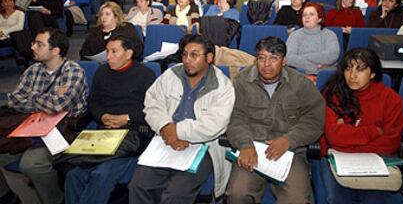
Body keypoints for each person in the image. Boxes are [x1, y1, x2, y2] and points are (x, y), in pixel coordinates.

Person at [128, 34, 235, 204]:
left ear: (209, 58)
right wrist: (165, 127)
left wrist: (176, 131)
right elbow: (152, 103)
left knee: (175, 195)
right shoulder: (171, 74)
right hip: (165, 140)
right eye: (184, 54)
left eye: (194, 55)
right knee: (138, 187)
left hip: (203, 146)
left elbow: (215, 124)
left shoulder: (222, 85)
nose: (187, 60)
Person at [225, 36, 325, 203]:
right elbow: (235, 118)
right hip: (252, 148)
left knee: (296, 199)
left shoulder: (301, 84)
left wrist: (288, 140)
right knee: (237, 194)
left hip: (290, 152)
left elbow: (314, 120)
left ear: (284, 61)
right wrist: (245, 145)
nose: (266, 64)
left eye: (274, 58)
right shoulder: (242, 81)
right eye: (261, 58)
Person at [65, 34, 155, 204]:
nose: (108, 57)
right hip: (104, 133)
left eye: (114, 52)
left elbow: (152, 109)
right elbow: (93, 101)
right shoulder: (102, 72)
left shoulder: (145, 74)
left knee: (101, 174)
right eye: (107, 51)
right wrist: (102, 116)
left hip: (131, 135)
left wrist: (126, 119)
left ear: (128, 53)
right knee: (73, 176)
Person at [7, 28, 88, 204]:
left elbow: (58, 106)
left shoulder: (73, 71)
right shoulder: (33, 70)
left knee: (31, 164)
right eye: (34, 43)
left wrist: (32, 98)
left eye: (39, 44)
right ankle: (6, 196)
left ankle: (55, 200)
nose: (32, 47)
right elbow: (14, 100)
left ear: (56, 50)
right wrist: (46, 102)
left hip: (63, 130)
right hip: (31, 125)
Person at [319, 48, 403, 204]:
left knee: (373, 200)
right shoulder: (332, 94)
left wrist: (347, 136)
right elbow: (333, 136)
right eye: (348, 69)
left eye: (360, 70)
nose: (352, 76)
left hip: (376, 160)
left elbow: (391, 143)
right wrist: (373, 131)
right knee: (337, 199)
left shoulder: (390, 99)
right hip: (336, 159)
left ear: (372, 74)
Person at [286, 2, 340, 75]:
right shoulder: (295, 35)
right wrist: (313, 67)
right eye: (304, 15)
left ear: (319, 19)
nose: (307, 17)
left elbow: (332, 55)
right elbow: (289, 58)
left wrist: (302, 57)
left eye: (311, 14)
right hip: (300, 75)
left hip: (324, 75)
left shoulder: (330, 35)